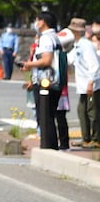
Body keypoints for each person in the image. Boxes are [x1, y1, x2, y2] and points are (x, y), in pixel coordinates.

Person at [23, 11, 71, 151]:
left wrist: (29, 64)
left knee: (44, 116)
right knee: (49, 114)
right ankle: (51, 145)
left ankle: (48, 146)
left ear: (43, 22)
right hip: (54, 81)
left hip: (46, 81)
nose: (35, 23)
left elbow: (46, 60)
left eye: (37, 20)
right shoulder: (55, 37)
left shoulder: (46, 38)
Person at [67, 18, 98, 148]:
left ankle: (96, 140)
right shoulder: (78, 45)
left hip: (91, 85)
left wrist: (91, 82)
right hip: (83, 86)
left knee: (93, 113)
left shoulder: (86, 45)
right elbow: (69, 59)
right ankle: (86, 139)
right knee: (82, 111)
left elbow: (94, 65)